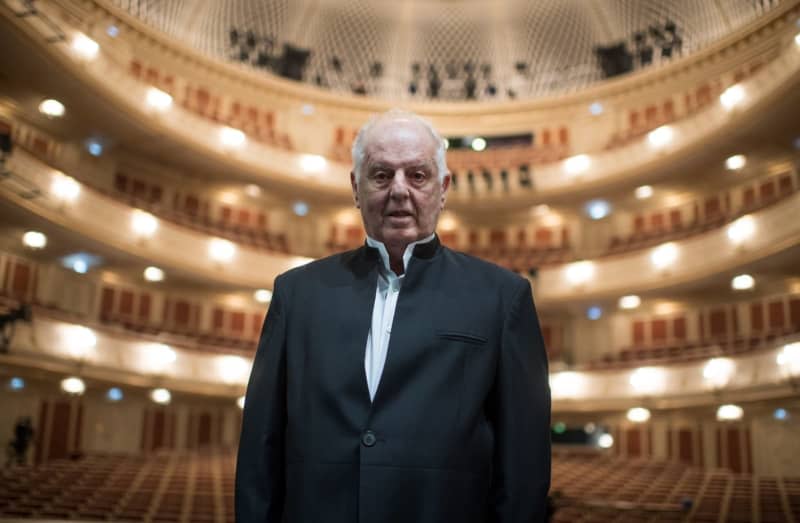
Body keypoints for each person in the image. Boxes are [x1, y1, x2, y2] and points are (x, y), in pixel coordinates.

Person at [236, 109, 551, 522]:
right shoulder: (296, 294)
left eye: (417, 175)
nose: (399, 190)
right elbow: (260, 450)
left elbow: (523, 469)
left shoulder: (503, 298)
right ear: (356, 187)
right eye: (381, 175)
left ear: (443, 188)